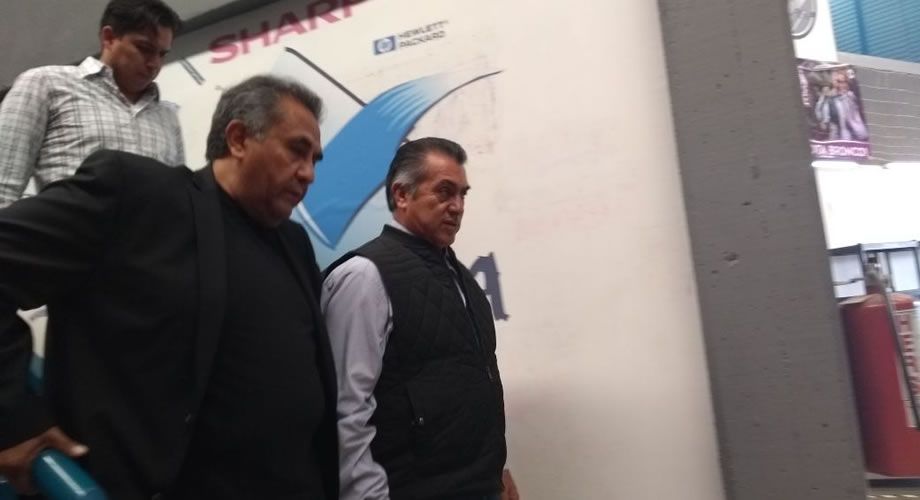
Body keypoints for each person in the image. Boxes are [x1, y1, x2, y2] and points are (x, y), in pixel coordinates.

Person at [0, 75, 338, 500]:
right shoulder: (136, 197)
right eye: (296, 150)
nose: (308, 174)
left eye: (315, 160)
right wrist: (14, 419)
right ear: (238, 139)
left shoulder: (294, 242)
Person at [322, 138, 516, 500]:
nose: (457, 206)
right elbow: (346, 409)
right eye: (444, 192)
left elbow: (480, 382)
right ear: (401, 195)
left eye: (462, 194)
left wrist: (500, 472)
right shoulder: (364, 277)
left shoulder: (464, 281)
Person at [0, 0, 185, 208]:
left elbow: (177, 202)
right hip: (71, 228)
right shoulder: (46, 84)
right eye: (144, 48)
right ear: (109, 37)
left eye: (162, 54)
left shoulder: (167, 116)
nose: (154, 64)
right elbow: (3, 187)